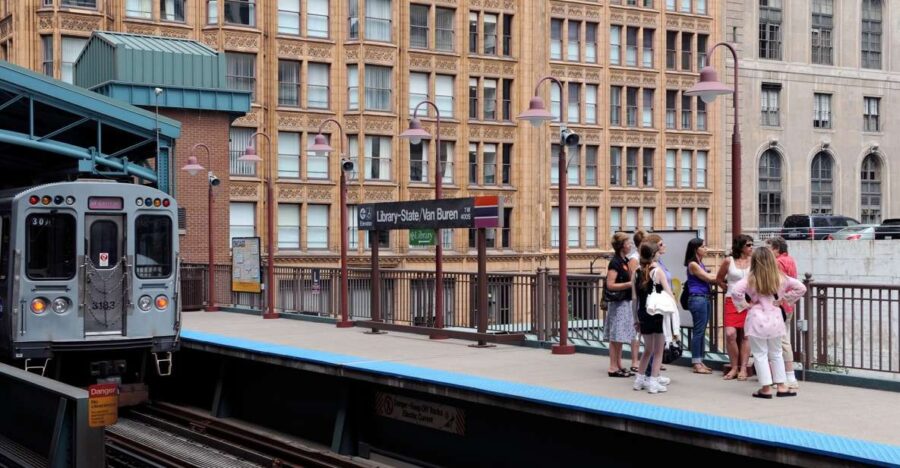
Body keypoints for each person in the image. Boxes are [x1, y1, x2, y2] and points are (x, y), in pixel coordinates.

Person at [731, 247, 806, 398]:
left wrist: (745, 305)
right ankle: (782, 386)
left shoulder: (750, 278)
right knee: (776, 353)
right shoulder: (781, 278)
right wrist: (784, 299)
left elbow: (735, 291)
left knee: (760, 354)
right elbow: (801, 288)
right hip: (775, 318)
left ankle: (765, 388)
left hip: (756, 318)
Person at [631, 242, 672, 394]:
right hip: (657, 313)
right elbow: (668, 292)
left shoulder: (636, 272)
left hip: (642, 313)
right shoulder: (657, 271)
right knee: (658, 350)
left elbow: (634, 299)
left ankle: (639, 380)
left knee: (648, 349)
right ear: (654, 254)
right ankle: (653, 382)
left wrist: (635, 319)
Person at [716, 234, 753, 380]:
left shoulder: (754, 261)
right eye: (748, 245)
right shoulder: (728, 261)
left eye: (751, 245)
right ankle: (734, 367)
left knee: (746, 335)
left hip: (748, 299)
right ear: (741, 247)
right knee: (730, 333)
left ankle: (743, 367)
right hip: (732, 299)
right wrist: (727, 288)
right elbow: (719, 279)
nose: (751, 248)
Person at [766, 236, 800, 389]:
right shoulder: (790, 260)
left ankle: (785, 376)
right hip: (788, 305)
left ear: (776, 249)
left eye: (769, 248)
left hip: (779, 305)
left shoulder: (777, 263)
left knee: (780, 341)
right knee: (784, 338)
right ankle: (789, 376)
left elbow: (776, 284)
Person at [684, 238, 717, 374]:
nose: (706, 249)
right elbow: (708, 278)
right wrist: (724, 276)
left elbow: (709, 276)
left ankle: (700, 360)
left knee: (702, 330)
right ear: (695, 249)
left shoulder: (699, 263)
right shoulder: (693, 264)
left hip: (704, 298)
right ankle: (696, 362)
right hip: (698, 299)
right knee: (699, 331)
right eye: (703, 247)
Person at [605, 233, 636, 377]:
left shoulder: (626, 260)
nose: (630, 245)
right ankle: (612, 367)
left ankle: (618, 364)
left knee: (621, 335)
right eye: (628, 242)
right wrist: (629, 284)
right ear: (621, 245)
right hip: (618, 303)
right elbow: (610, 285)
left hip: (625, 301)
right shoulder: (615, 262)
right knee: (616, 335)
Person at [627, 230, 646, 372]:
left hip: (644, 296)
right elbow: (634, 278)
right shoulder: (634, 259)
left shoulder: (645, 257)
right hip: (637, 297)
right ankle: (635, 361)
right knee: (636, 328)